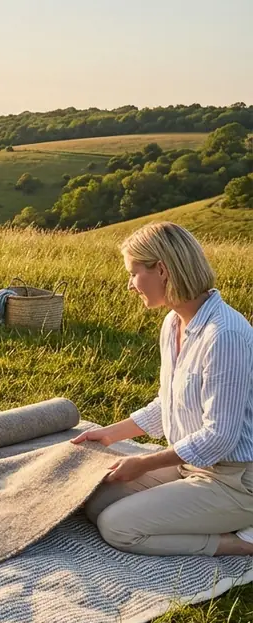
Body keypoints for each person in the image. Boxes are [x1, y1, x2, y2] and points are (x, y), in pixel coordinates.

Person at [76, 221, 253, 557]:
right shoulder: (174, 322)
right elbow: (167, 405)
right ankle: (203, 514)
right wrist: (109, 435)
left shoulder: (224, 335)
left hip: (237, 481)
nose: (130, 285)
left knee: (118, 526)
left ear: (161, 270)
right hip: (192, 467)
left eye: (133, 273)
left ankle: (241, 542)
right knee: (98, 501)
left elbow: (220, 437)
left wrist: (145, 464)